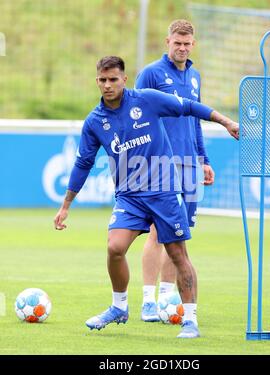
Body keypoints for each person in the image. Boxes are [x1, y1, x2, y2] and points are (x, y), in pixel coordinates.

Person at [54, 56, 239, 339]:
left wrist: (225, 121)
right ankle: (119, 307)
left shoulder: (147, 100)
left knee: (178, 254)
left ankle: (190, 320)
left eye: (113, 79)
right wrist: (66, 206)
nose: (107, 85)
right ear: (97, 81)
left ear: (124, 79)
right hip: (129, 197)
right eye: (102, 80)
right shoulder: (94, 121)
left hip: (164, 191)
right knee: (115, 247)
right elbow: (83, 164)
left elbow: (188, 107)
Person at [135, 19, 215, 322]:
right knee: (157, 231)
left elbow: (194, 121)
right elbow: (135, 115)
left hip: (190, 164)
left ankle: (168, 299)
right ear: (167, 41)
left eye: (186, 43)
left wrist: (203, 159)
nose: (181, 48)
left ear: (192, 44)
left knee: (179, 234)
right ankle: (147, 300)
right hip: (159, 164)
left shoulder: (194, 76)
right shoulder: (151, 74)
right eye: (176, 43)